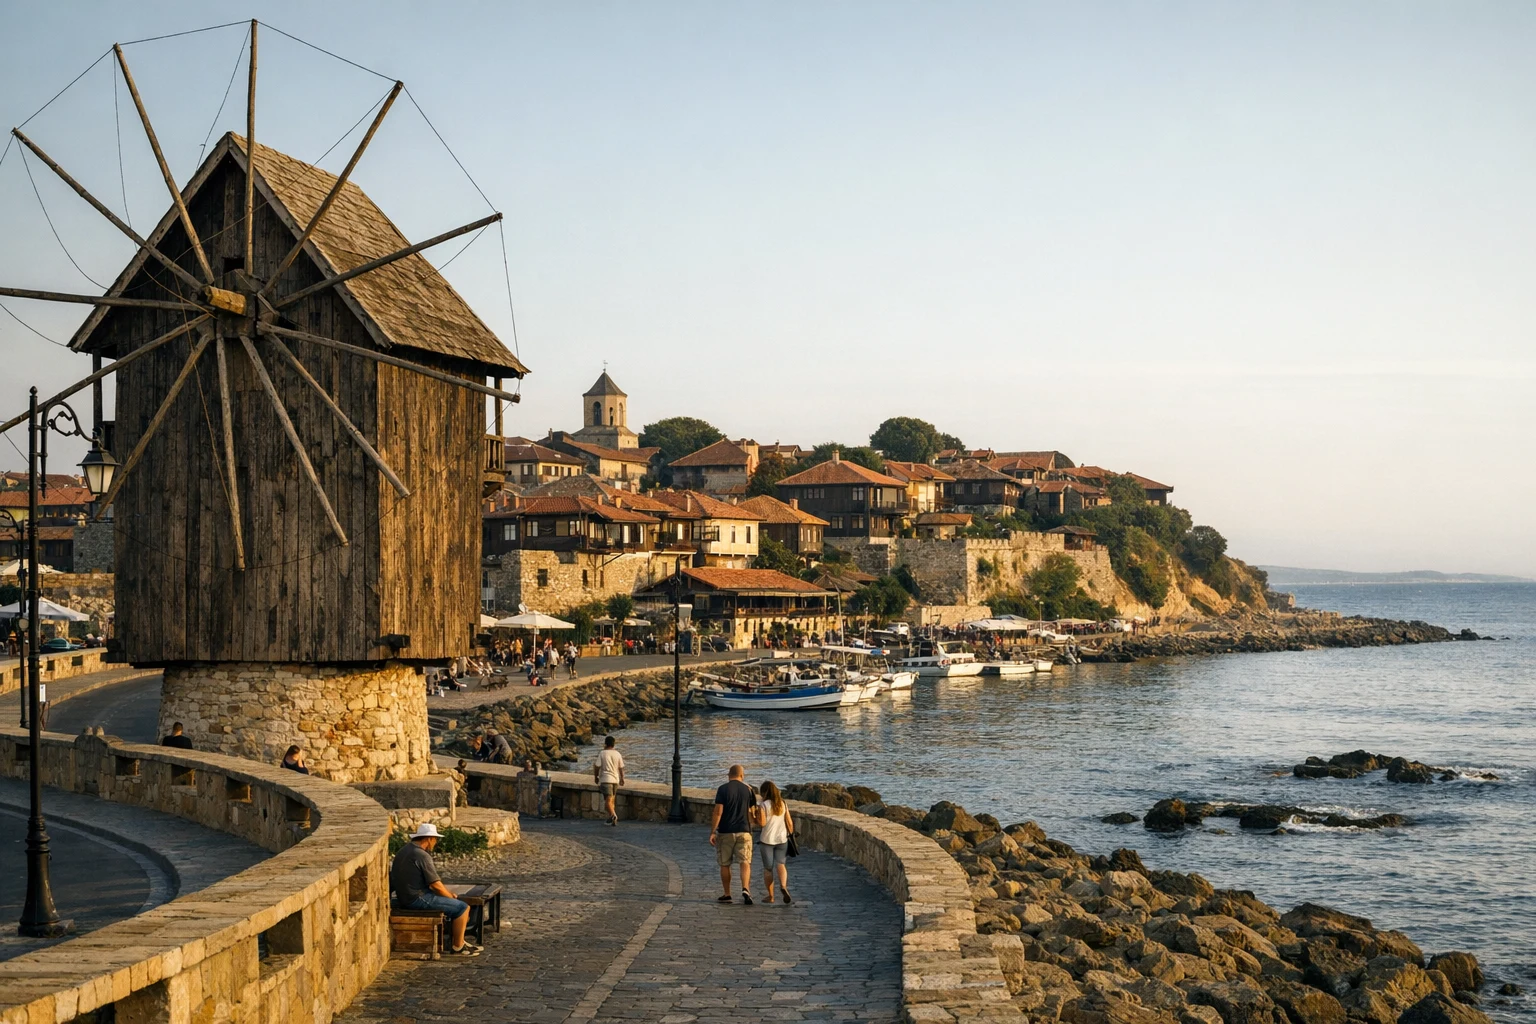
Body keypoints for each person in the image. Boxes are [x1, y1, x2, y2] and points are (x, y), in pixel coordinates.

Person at [389, 823, 480, 956]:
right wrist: (449, 896)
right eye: (435, 839)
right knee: (462, 908)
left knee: (454, 903)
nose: (435, 842)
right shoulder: (422, 855)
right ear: (428, 839)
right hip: (417, 898)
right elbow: (435, 884)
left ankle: (460, 940)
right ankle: (458, 946)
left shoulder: (404, 850)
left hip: (405, 896)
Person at [709, 764, 755, 905]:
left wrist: (713, 831)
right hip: (744, 831)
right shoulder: (749, 790)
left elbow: (718, 812)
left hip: (725, 831)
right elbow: (752, 812)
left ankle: (727, 893)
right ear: (742, 776)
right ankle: (745, 888)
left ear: (729, 775)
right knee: (745, 862)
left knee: (725, 864)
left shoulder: (723, 789)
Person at [753, 780, 794, 904]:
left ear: (764, 793)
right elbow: (790, 823)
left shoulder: (764, 805)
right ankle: (783, 886)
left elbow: (763, 823)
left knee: (768, 868)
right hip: (782, 839)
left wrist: (755, 817)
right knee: (781, 864)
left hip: (767, 840)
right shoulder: (783, 804)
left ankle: (770, 896)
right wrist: (790, 834)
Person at [593, 735, 624, 826]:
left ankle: (613, 815)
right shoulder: (618, 754)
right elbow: (621, 768)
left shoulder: (602, 753)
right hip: (615, 779)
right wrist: (622, 778)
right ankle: (611, 819)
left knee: (608, 800)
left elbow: (597, 766)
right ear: (614, 744)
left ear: (605, 744)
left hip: (606, 779)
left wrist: (596, 777)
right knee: (611, 800)